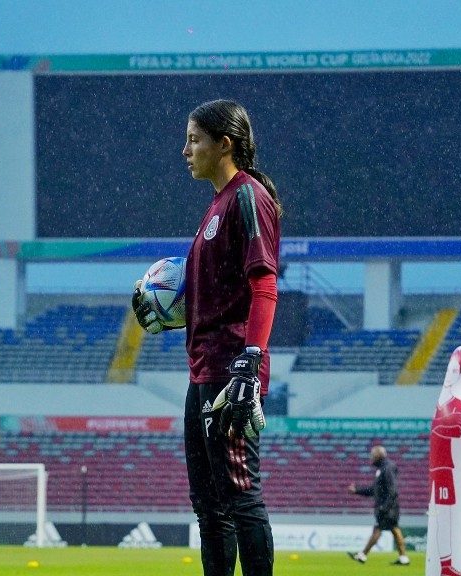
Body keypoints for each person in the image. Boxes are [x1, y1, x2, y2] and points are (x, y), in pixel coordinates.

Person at [133, 99, 282, 576]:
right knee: (208, 506)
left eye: (194, 139)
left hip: (230, 371)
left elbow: (264, 284)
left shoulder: (247, 196)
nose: (185, 149)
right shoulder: (215, 206)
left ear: (225, 144)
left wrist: (250, 361)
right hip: (203, 373)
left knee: (240, 497)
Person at [347, 445, 410, 566]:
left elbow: (392, 490)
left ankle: (363, 555)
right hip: (389, 506)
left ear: (377, 456)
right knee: (394, 529)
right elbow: (374, 490)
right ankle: (403, 558)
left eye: (372, 455)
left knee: (379, 529)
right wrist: (357, 491)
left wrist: (385, 507)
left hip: (388, 507)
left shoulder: (387, 468)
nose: (370, 458)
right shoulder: (382, 469)